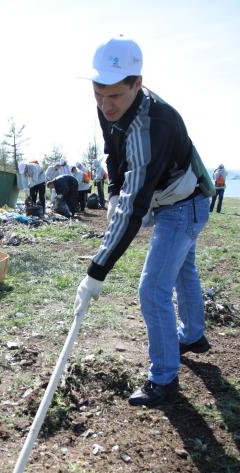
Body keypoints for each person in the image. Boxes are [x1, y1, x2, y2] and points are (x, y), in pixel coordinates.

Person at [74, 36, 211, 408]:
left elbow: (134, 209)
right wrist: (115, 189)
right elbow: (113, 153)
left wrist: (96, 270)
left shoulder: (157, 125)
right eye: (98, 93)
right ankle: (193, 336)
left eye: (114, 95)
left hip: (187, 202)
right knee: (184, 270)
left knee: (152, 289)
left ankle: (163, 378)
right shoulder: (110, 107)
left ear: (137, 82)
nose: (105, 104)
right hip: (175, 198)